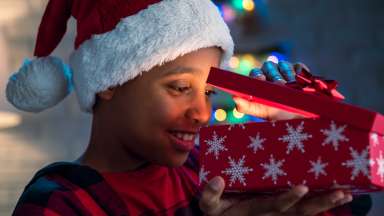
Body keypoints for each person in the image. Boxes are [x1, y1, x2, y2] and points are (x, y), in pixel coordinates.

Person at [6, 0, 371, 215]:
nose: (202, 113)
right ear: (109, 83)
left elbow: (341, 204)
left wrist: (311, 135)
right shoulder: (60, 202)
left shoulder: (210, 171)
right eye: (180, 87)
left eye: (209, 92)